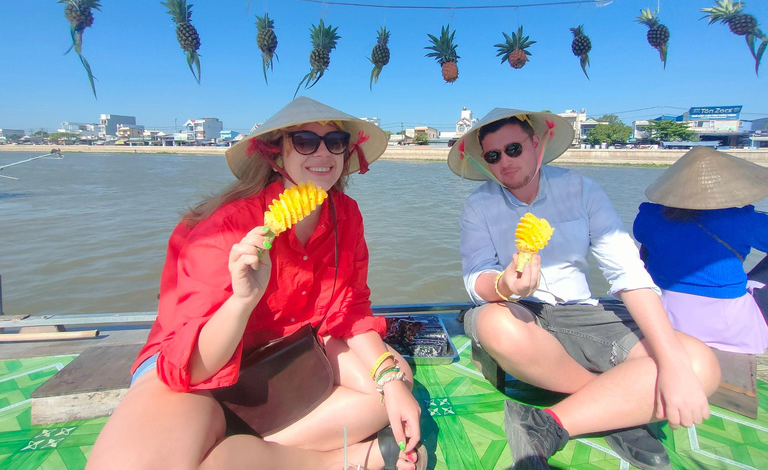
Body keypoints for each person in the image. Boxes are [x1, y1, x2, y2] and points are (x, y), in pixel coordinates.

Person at [87, 97, 426, 470]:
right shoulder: (226, 226)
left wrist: (391, 382)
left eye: (335, 141)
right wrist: (242, 301)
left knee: (395, 386)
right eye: (304, 140)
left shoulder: (345, 215)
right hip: (194, 361)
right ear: (276, 154)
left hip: (289, 347)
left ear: (347, 152)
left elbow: (351, 310)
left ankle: (243, 450)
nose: (323, 152)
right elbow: (193, 368)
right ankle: (343, 459)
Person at [447, 108, 721, 470]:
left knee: (699, 366)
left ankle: (553, 423)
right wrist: (505, 283)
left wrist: (671, 362)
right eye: (494, 156)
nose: (505, 163)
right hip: (519, 312)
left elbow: (627, 272)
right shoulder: (479, 205)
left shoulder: (581, 189)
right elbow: (476, 277)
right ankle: (618, 408)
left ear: (536, 144)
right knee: (493, 325)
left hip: (584, 314)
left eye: (513, 149)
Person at [633, 146, 768, 355]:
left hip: (664, 316)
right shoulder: (744, 220)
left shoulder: (649, 215)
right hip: (727, 326)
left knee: (651, 248)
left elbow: (647, 246)